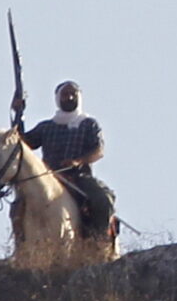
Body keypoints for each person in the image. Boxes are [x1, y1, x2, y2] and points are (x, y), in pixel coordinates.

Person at [18, 80, 115, 242]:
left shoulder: (88, 124)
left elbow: (98, 151)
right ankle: (21, 244)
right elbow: (22, 143)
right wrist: (18, 114)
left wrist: (78, 161)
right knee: (19, 205)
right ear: (57, 98)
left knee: (103, 200)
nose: (69, 97)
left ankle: (99, 241)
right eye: (65, 94)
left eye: (73, 94)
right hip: (49, 177)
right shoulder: (46, 127)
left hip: (78, 178)